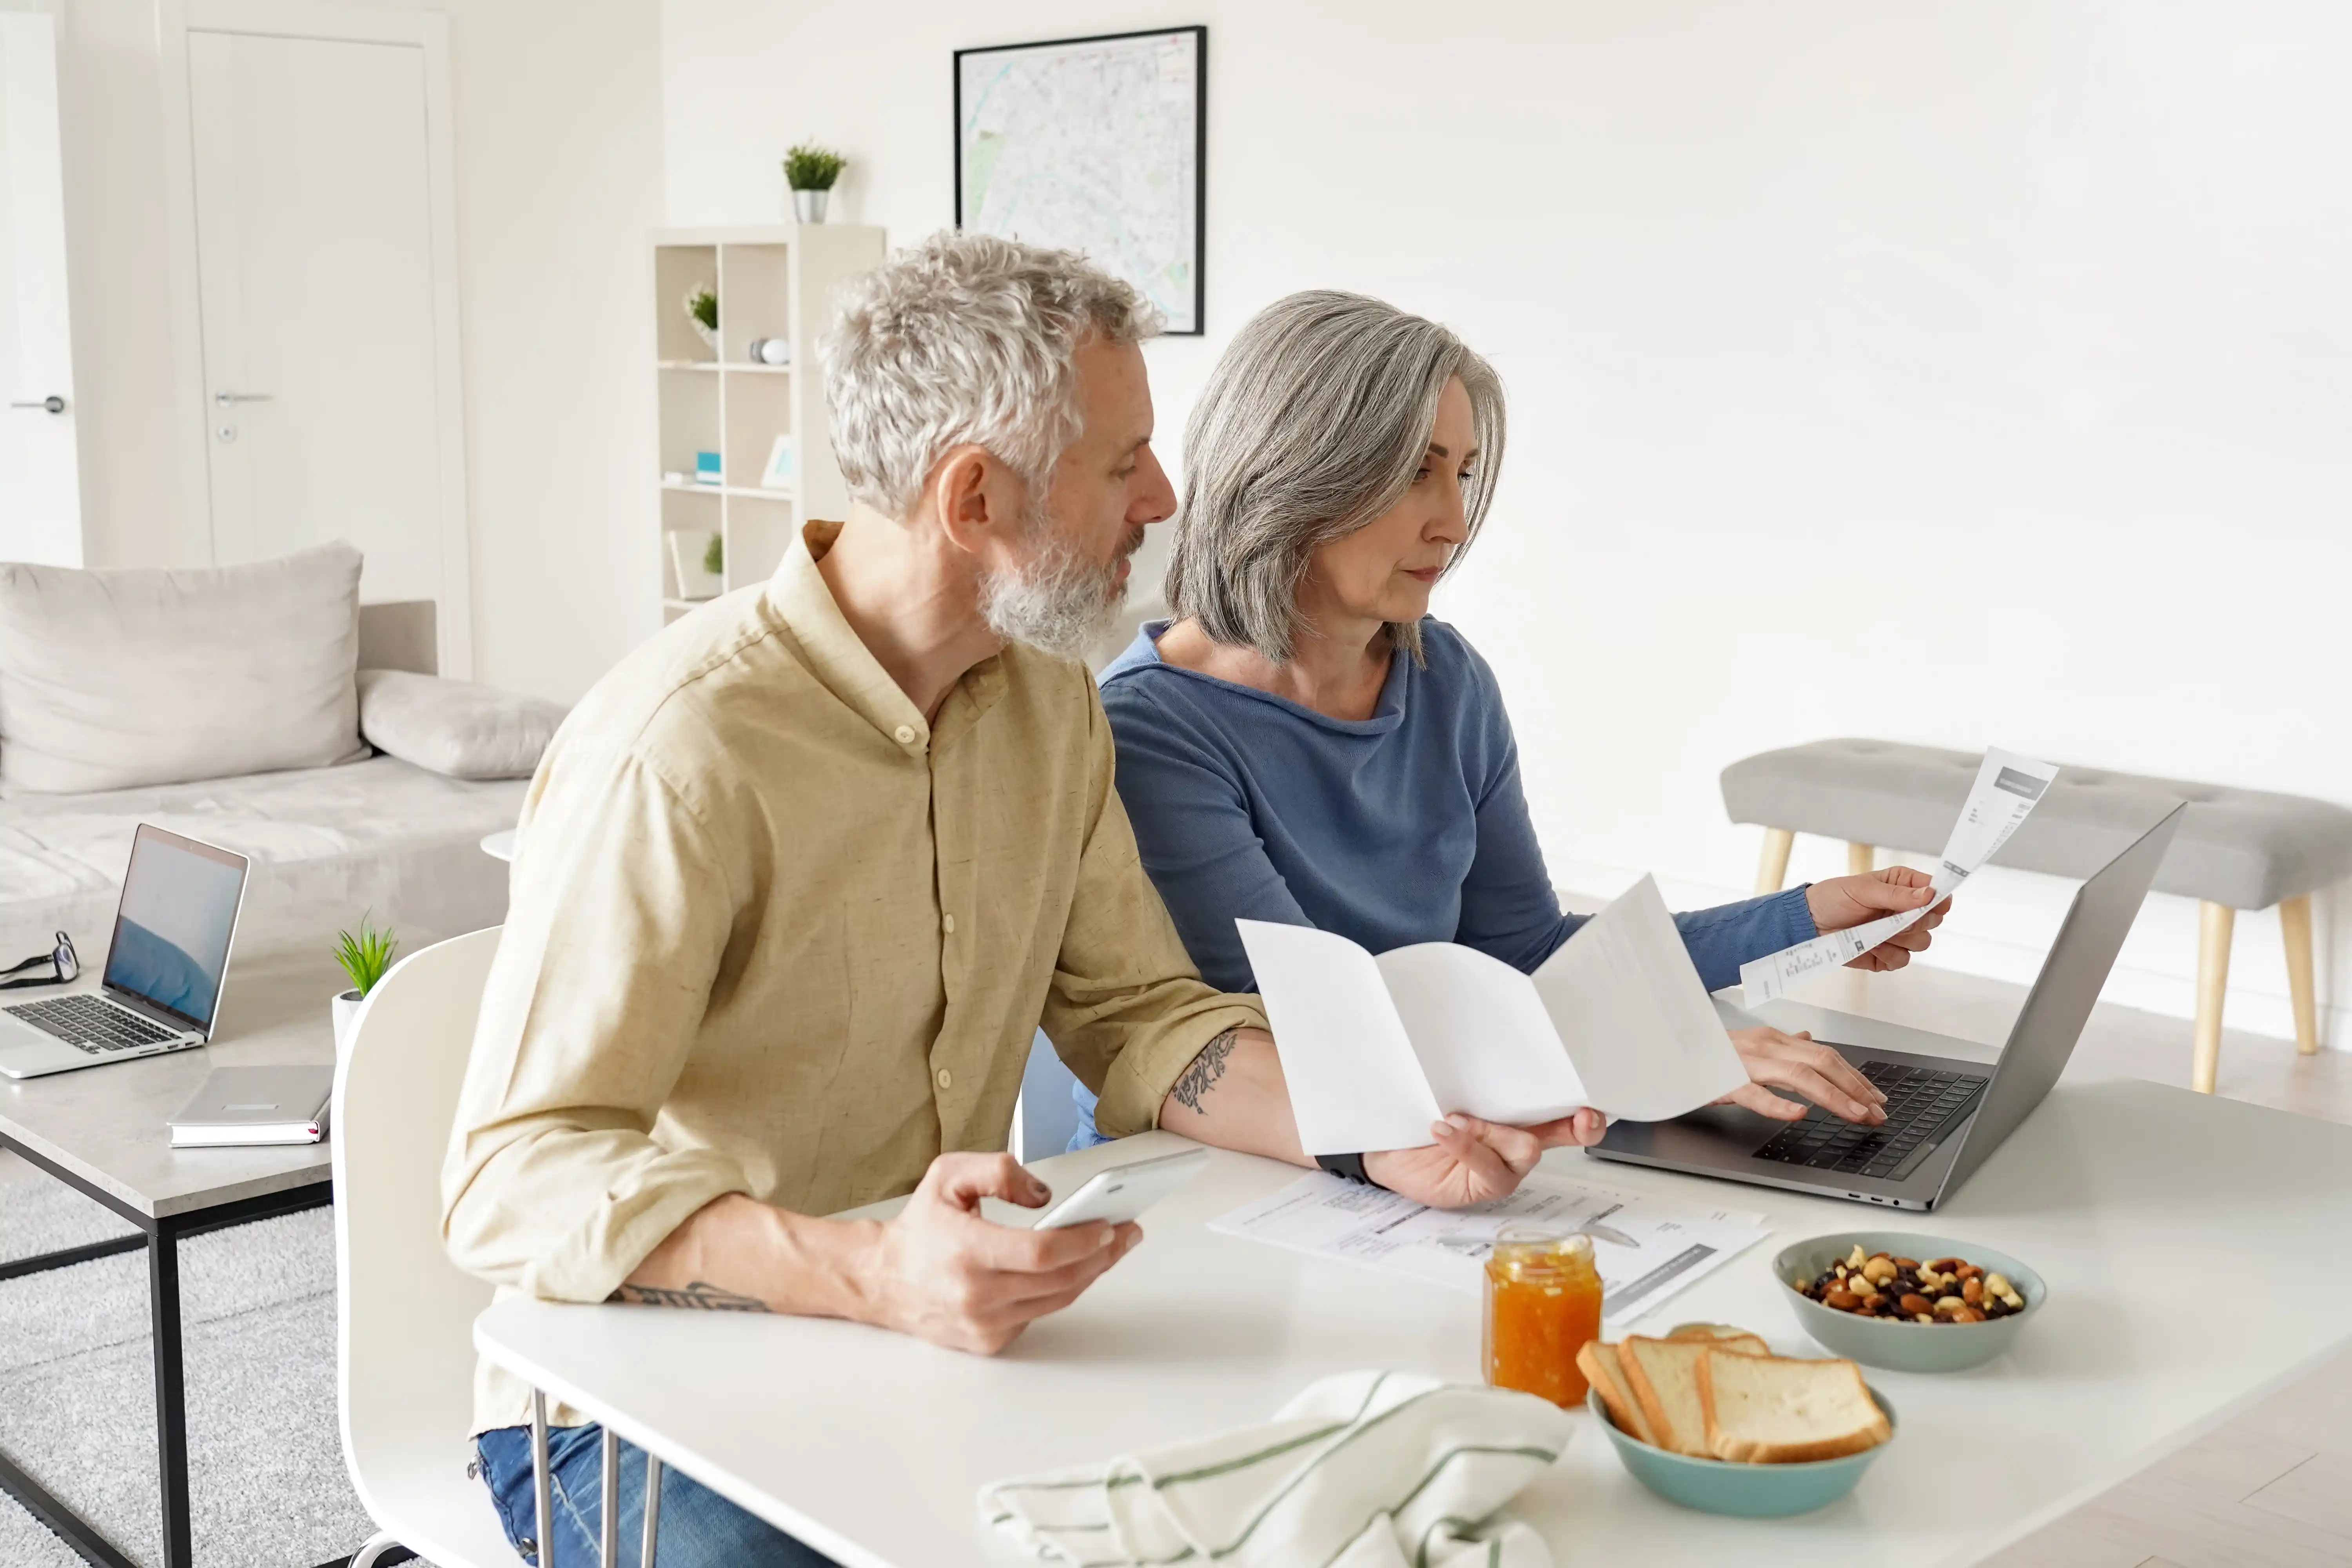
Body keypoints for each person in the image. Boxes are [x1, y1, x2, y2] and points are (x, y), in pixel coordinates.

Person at [441, 241, 1597, 1568]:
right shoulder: (680, 753)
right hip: (629, 1408)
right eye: (1123, 465)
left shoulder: (1051, 708)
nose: (1164, 499)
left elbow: (1142, 1015)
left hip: (932, 1344)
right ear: (975, 496)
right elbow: (511, 1180)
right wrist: (872, 1274)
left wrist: (1374, 1130)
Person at [1071, 290, 1942, 1149]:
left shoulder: (1443, 678)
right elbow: (1331, 1028)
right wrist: (1651, 1059)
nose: (1452, 521)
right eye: (1417, 469)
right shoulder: (1155, 730)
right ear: (1295, 471)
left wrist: (1805, 918)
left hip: (1415, 1148)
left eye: (1463, 472)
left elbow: (1528, 952)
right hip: (1211, 1178)